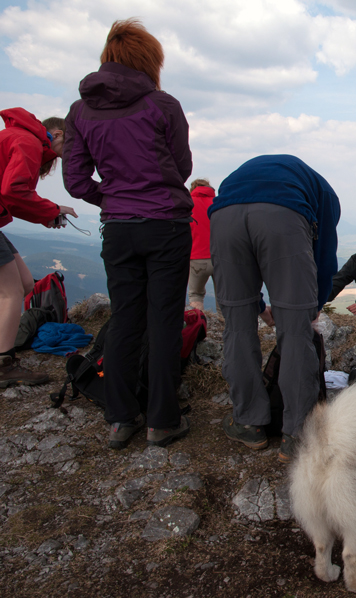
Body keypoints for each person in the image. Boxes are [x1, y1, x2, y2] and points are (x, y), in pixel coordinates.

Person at [63, 19, 192, 450]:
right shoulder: (162, 104)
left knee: (124, 319)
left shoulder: (80, 111)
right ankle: (162, 421)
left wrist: (113, 199)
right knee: (164, 321)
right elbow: (182, 167)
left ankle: (120, 419)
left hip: (118, 229)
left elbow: (77, 181)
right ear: (149, 60)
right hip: (166, 225)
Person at [210, 155, 340, 463]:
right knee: (295, 333)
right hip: (283, 217)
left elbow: (243, 276)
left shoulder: (244, 174)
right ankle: (296, 435)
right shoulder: (326, 195)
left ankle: (248, 422)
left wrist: (257, 306)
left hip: (223, 217)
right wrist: (313, 306)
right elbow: (323, 258)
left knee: (237, 327)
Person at [0, 108, 78, 387]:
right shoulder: (27, 141)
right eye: (69, 143)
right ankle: (4, 364)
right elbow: (13, 191)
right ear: (56, 134)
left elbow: (10, 193)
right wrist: (54, 209)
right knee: (9, 294)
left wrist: (46, 216)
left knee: (22, 284)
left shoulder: (18, 137)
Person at [187, 178, 216, 312]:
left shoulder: (188, 204)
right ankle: (227, 329)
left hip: (197, 257)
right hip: (220, 257)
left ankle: (198, 328)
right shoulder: (217, 204)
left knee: (196, 295)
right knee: (223, 297)